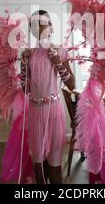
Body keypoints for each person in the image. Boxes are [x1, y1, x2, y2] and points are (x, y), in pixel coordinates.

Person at [20, 10, 75, 184]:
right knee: (38, 161)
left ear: (51, 26)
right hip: (35, 112)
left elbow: (72, 85)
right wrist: (23, 68)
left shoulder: (60, 50)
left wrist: (58, 62)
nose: (39, 26)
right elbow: (25, 89)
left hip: (54, 112)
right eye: (34, 24)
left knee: (55, 161)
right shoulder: (29, 54)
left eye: (43, 22)